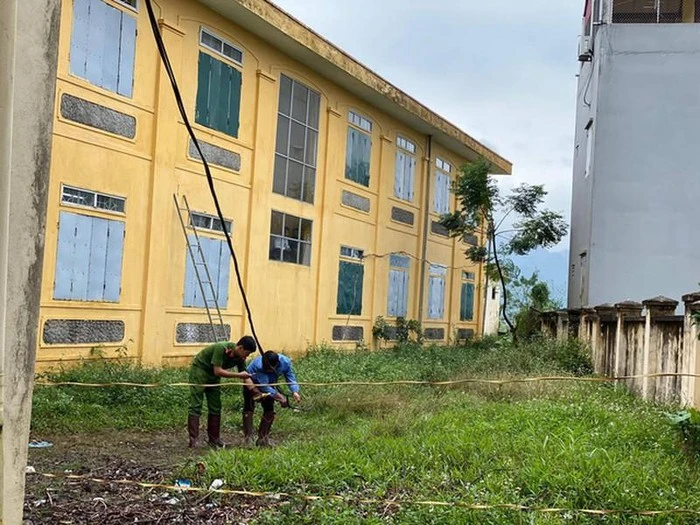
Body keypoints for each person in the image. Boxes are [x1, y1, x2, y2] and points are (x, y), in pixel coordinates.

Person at [188, 336, 257, 448]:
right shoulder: (221, 348)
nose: (247, 356)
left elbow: (245, 376)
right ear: (240, 348)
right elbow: (218, 371)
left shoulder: (240, 358)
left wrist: (255, 391)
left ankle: (214, 439)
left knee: (216, 406)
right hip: (200, 371)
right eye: (247, 353)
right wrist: (239, 375)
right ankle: (194, 439)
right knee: (196, 404)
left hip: (214, 377)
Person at [242, 350, 301, 447]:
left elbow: (290, 377)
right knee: (249, 407)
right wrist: (280, 398)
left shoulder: (285, 362)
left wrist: (295, 391)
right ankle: (248, 439)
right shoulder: (258, 366)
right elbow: (264, 387)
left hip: (269, 383)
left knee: (269, 408)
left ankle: (263, 438)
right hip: (252, 383)